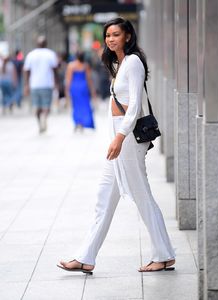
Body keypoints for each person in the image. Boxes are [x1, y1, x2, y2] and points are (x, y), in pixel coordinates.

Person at [57, 17, 175, 274]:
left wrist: (120, 137)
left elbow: (134, 105)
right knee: (104, 197)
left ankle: (164, 255)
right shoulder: (120, 63)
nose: (110, 39)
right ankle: (86, 256)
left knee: (142, 196)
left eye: (116, 35)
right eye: (108, 35)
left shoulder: (132, 62)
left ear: (128, 37)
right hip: (121, 137)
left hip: (128, 138)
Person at [23, 36, 58, 133]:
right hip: (47, 84)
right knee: (46, 105)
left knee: (36, 105)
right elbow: (55, 70)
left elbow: (26, 71)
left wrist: (26, 84)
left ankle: (39, 122)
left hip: (34, 85)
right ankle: (44, 119)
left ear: (37, 44)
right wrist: (56, 83)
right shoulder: (51, 54)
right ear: (46, 44)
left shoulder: (31, 55)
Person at [65, 51, 96, 131]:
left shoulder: (71, 65)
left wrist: (67, 90)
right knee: (85, 105)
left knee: (76, 105)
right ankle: (83, 122)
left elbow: (68, 79)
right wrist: (92, 91)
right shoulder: (86, 66)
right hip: (83, 87)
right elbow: (89, 79)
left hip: (75, 87)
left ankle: (77, 122)